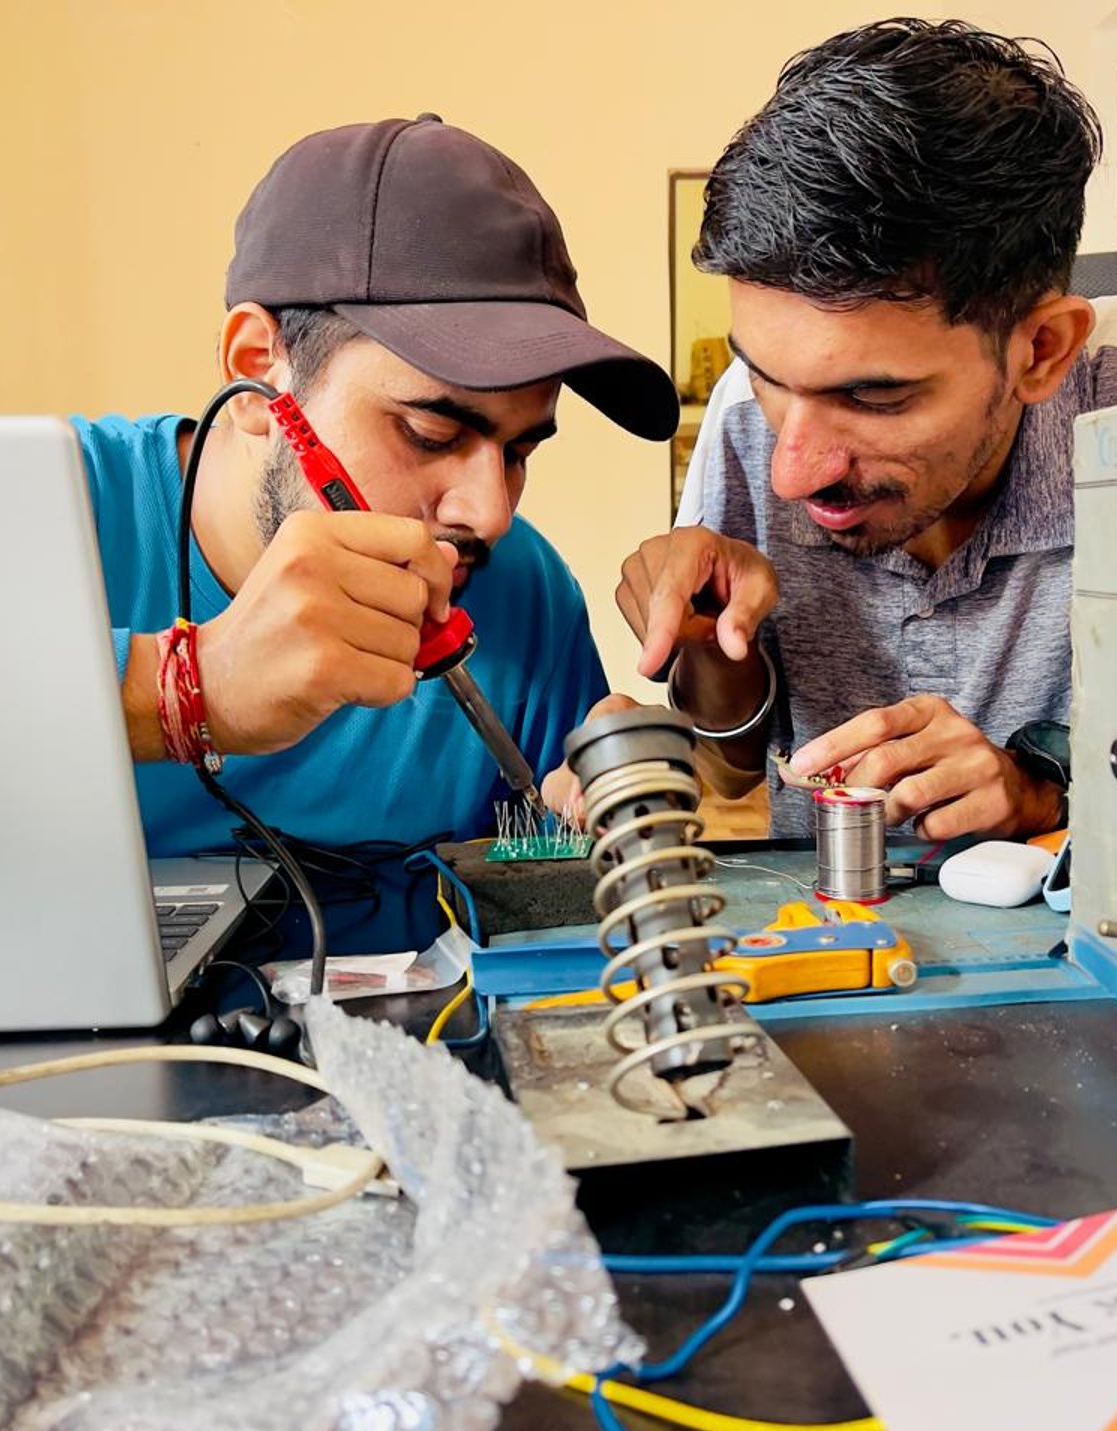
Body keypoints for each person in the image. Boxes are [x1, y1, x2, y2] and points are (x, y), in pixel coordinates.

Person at [582, 19, 1117, 841]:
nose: (792, 474)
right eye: (767, 374)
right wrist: (714, 653)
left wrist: (1042, 792)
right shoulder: (746, 427)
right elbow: (730, 769)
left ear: (1041, 351)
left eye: (873, 396)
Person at [84, 114, 678, 952]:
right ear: (260, 371)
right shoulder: (54, 511)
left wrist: (614, 806)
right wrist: (188, 693)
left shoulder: (525, 590)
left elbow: (562, 901)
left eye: (518, 451)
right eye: (431, 434)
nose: (490, 513)